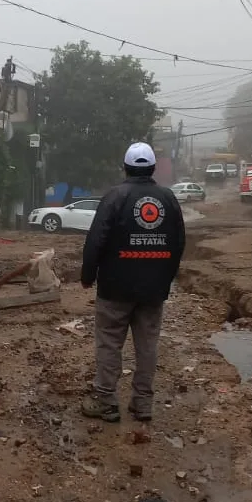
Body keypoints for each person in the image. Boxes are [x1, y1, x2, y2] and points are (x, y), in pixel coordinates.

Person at [80, 142, 185, 423]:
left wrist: (87, 276)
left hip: (114, 288)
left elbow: (96, 241)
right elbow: (178, 244)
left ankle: (105, 401)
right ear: (152, 169)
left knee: (109, 344)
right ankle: (143, 404)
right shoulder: (168, 198)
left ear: (125, 168)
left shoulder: (115, 197)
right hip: (152, 291)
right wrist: (166, 278)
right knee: (147, 345)